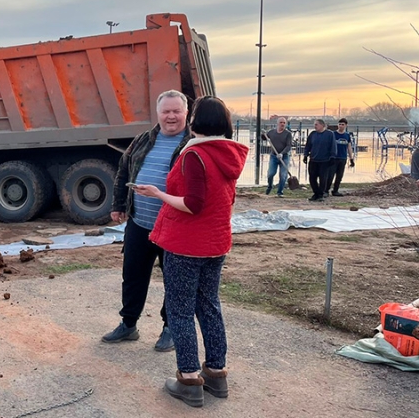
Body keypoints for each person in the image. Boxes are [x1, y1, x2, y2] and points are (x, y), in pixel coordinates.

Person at [138, 96, 248, 408]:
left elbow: (192, 204)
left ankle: (188, 378)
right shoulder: (228, 153)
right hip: (215, 243)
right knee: (209, 305)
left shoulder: (195, 155)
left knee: (181, 310)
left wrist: (158, 193)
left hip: (187, 244)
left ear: (195, 121)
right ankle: (216, 372)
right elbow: (225, 199)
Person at [103, 90, 192, 352]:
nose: (171, 116)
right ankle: (128, 324)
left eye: (177, 111)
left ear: (186, 113)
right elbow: (123, 169)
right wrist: (118, 204)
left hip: (174, 228)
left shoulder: (191, 144)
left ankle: (170, 329)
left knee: (173, 281)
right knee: (132, 276)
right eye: (166, 111)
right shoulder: (143, 140)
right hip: (139, 223)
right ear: (158, 113)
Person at [302, 119, 336, 202]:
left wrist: (332, 157)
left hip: (324, 160)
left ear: (322, 125)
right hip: (314, 160)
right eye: (315, 124)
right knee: (312, 178)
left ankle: (321, 194)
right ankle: (316, 193)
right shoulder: (313, 134)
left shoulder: (329, 134)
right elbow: (308, 145)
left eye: (316, 124)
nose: (315, 126)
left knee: (323, 178)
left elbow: (333, 146)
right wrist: (306, 155)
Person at [263, 117, 292, 197]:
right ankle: (270, 186)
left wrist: (282, 153)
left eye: (284, 123)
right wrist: (263, 134)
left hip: (284, 157)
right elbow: (263, 138)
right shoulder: (271, 132)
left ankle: (280, 192)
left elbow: (288, 146)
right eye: (281, 122)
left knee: (283, 175)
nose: (282, 124)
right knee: (271, 173)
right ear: (277, 123)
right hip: (274, 156)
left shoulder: (288, 134)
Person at [326, 118, 355, 196]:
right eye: (339, 124)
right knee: (330, 175)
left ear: (346, 125)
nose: (341, 126)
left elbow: (349, 147)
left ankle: (335, 190)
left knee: (339, 176)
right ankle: (326, 191)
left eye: (343, 125)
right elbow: (328, 145)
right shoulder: (333, 134)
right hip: (334, 158)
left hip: (343, 158)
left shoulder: (347, 135)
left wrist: (351, 159)